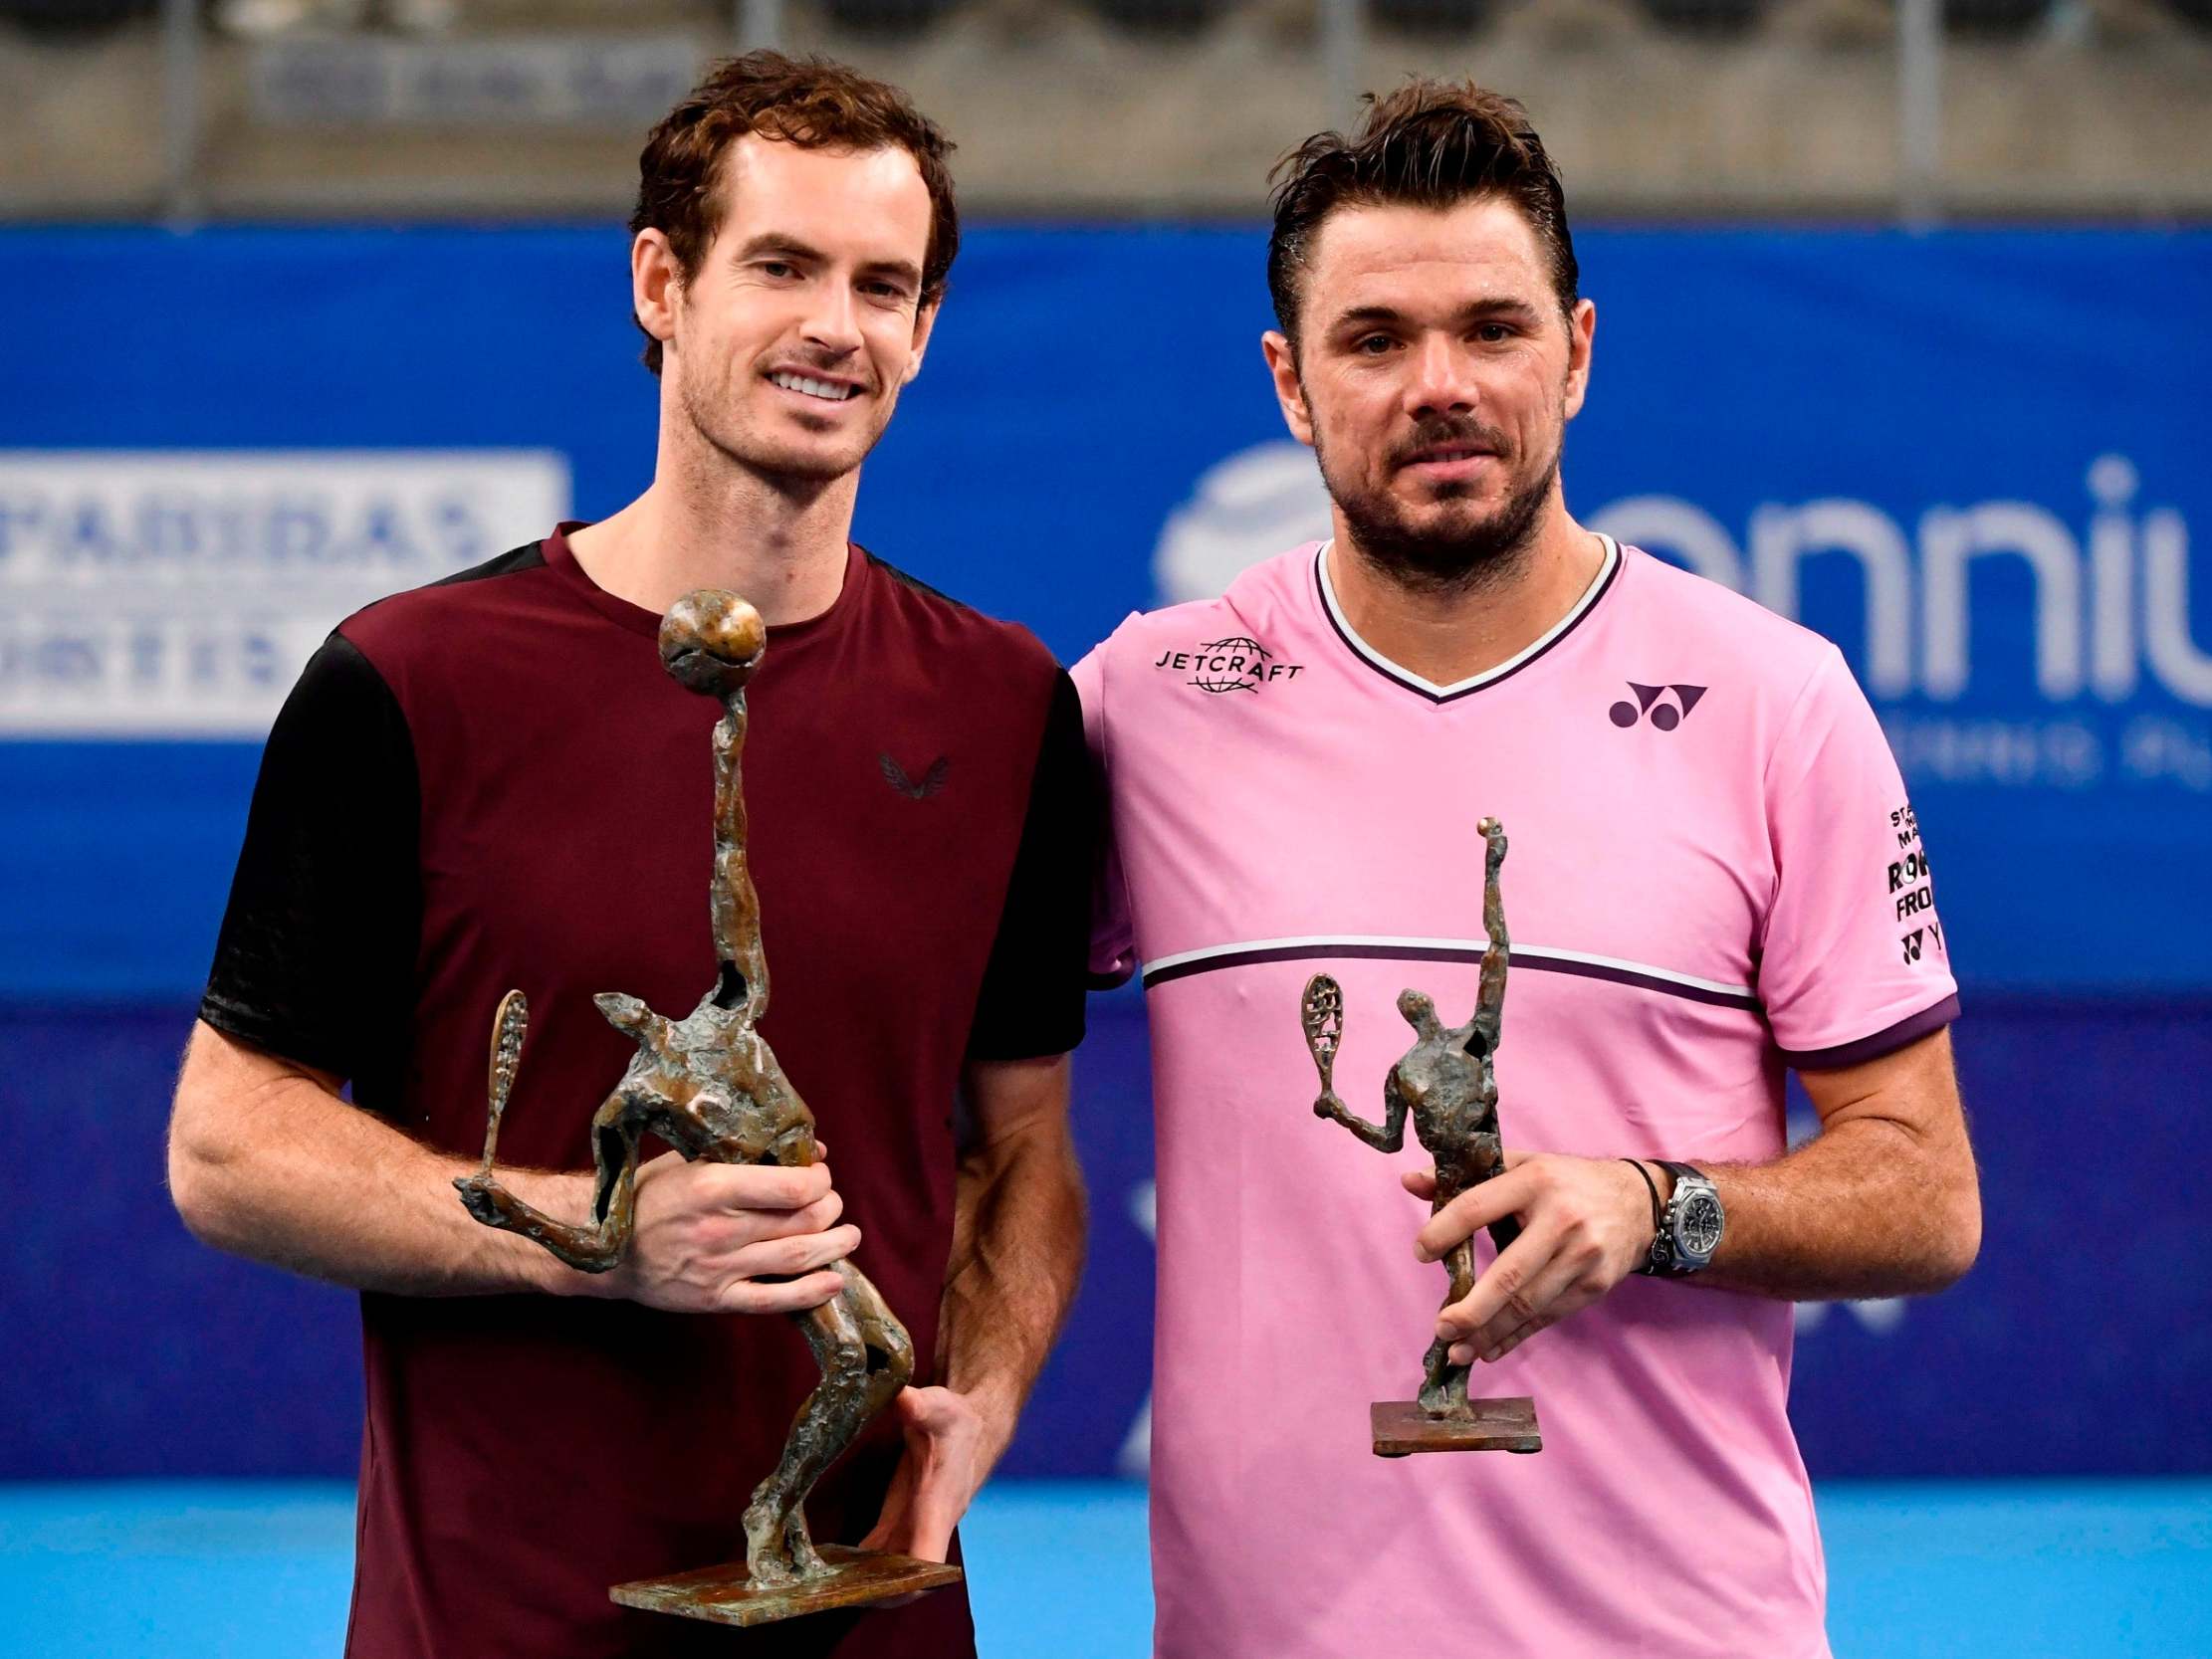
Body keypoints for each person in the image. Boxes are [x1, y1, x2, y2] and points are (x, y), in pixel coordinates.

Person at [167, 52, 1090, 1659]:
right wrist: (596, 1248)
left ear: (926, 332)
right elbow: (228, 1146)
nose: (835, 325)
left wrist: (980, 1402)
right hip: (496, 1624)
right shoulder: (408, 682)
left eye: (885, 285)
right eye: (782, 266)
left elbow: (1021, 1155)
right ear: (660, 283)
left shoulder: (1007, 706)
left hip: (874, 1623)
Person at [1074, 80, 1980, 1658]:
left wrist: (1655, 1207)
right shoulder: (1146, 704)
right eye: (1373, 342)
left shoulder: (1775, 701)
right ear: (1289, 385)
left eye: (1491, 329)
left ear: (1575, 349)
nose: (1439, 386)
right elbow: (925, 1045)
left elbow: (1924, 1192)